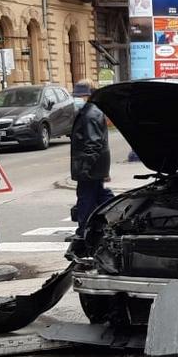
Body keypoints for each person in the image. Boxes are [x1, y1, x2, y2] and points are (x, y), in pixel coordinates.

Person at [69, 80, 113, 244]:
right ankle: (118, 215)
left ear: (88, 95)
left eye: (80, 95)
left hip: (90, 166)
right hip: (95, 165)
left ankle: (84, 231)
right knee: (101, 195)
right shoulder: (90, 111)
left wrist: (85, 168)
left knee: (86, 197)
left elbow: (92, 143)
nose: (77, 98)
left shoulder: (90, 114)